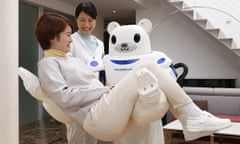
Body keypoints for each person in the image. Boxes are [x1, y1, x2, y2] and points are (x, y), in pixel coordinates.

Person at [35, 13, 231, 144]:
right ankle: (191, 116)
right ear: (53, 36)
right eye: (68, 35)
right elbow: (65, 98)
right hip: (95, 117)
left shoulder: (70, 61)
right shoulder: (48, 64)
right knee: (147, 66)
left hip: (104, 107)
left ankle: (190, 116)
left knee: (150, 74)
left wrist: (106, 91)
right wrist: (105, 90)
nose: (71, 38)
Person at [70, 1, 105, 80]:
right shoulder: (70, 41)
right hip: (78, 89)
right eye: (82, 20)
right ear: (76, 19)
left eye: (90, 20)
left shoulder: (100, 44)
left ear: (95, 21)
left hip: (98, 88)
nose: (86, 25)